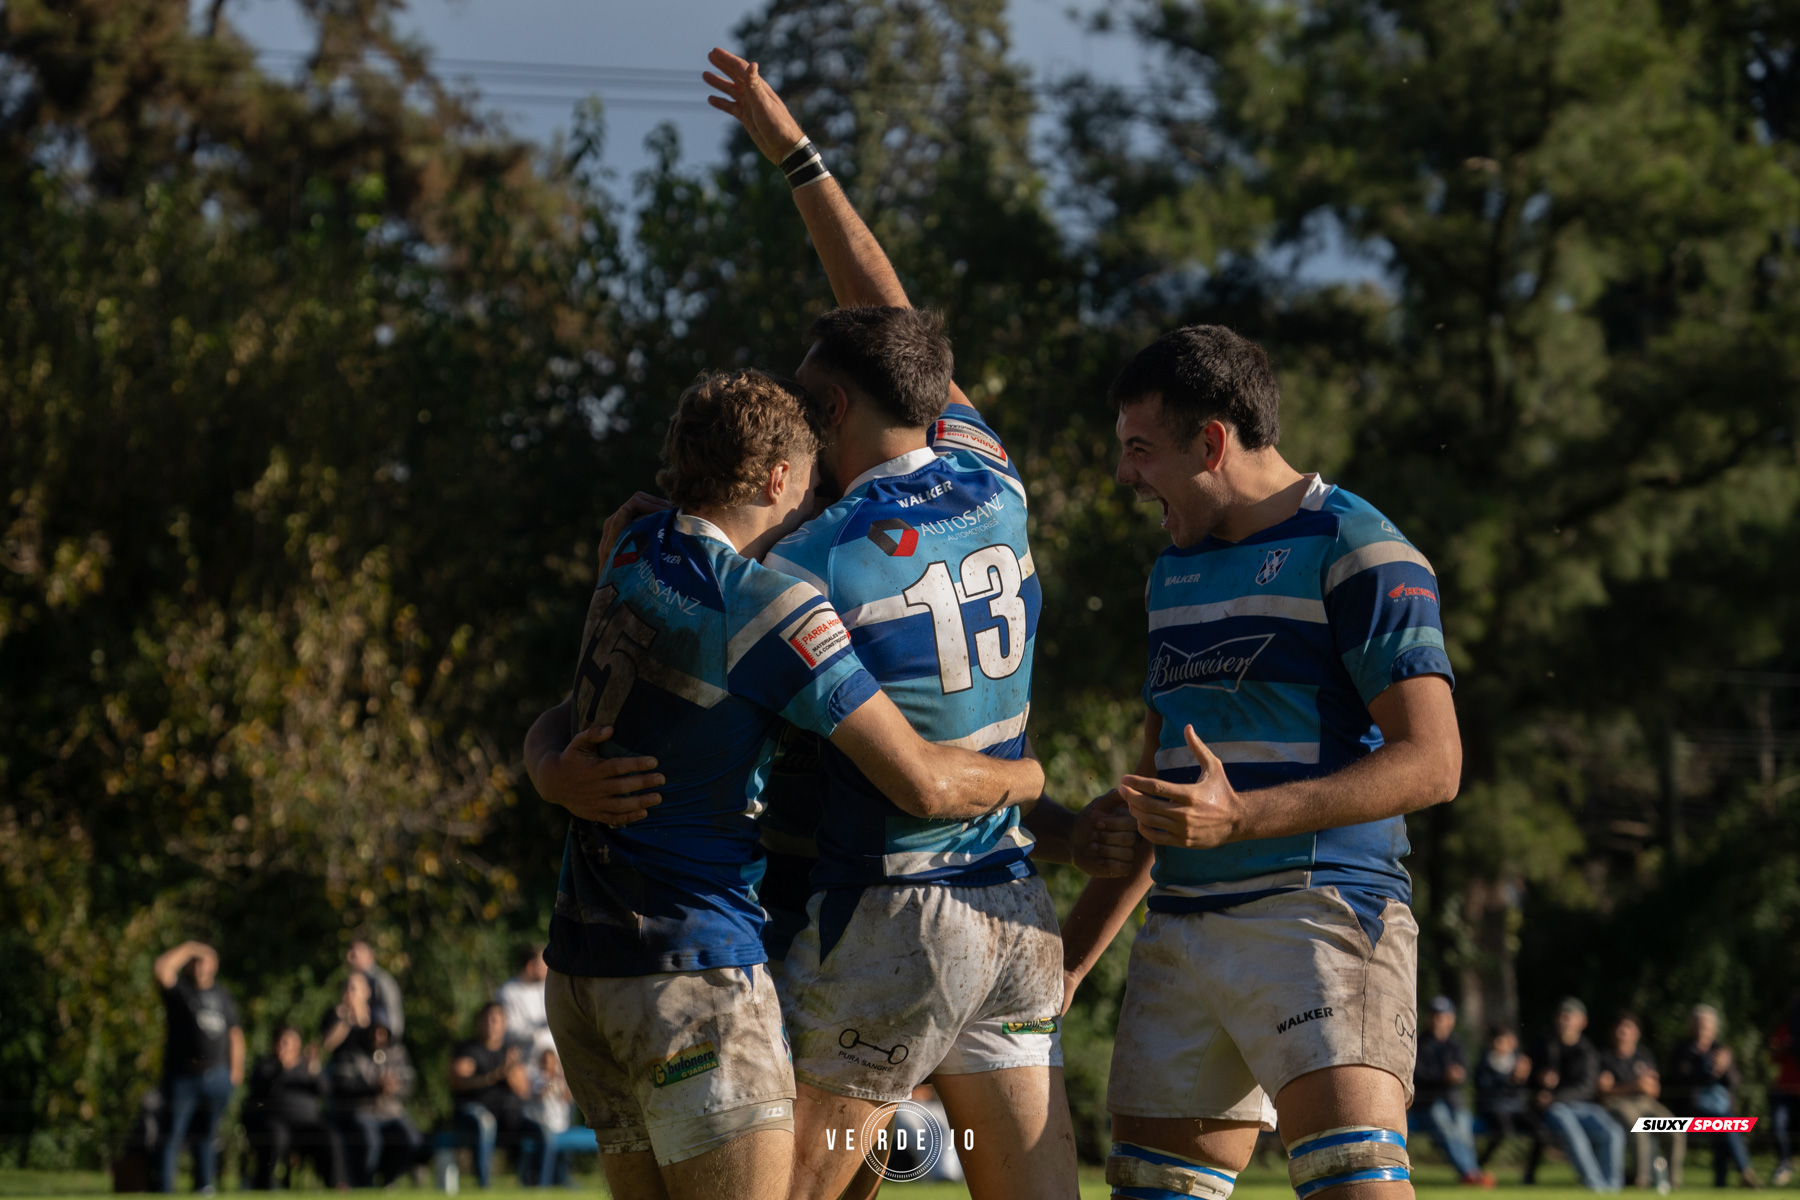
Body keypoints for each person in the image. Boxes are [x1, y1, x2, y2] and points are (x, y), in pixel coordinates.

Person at [703, 49, 1082, 1200]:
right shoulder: (993, 476)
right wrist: (800, 160)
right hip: (1013, 913)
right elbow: (894, 325)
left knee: (792, 1192)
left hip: (896, 918)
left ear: (829, 409)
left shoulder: (809, 560)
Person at [521, 368, 1045, 1200]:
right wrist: (1029, 774)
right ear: (775, 479)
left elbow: (562, 717)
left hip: (583, 969)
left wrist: (549, 771)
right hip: (694, 971)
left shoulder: (631, 547)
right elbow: (920, 782)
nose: (819, 502)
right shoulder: (771, 609)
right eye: (810, 481)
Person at [1032, 319, 1460, 1194]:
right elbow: (1166, 795)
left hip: (1320, 917)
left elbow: (1434, 762)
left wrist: (1243, 817)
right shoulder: (1171, 572)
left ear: (1212, 443)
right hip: (1181, 930)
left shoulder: (1362, 550)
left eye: (1141, 450)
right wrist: (1070, 962)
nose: (1124, 475)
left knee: (1352, 1179)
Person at [153, 941, 243, 1195]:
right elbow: (161, 968)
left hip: (217, 1076)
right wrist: (190, 947)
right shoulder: (181, 992)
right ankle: (165, 1189)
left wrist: (234, 1074)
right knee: (172, 1133)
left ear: (215, 965)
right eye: (197, 961)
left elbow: (235, 1035)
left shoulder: (222, 996)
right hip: (183, 1076)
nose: (202, 965)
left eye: (207, 960)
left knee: (207, 1134)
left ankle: (204, 1187)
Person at [1530, 998, 1626, 1192]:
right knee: (1570, 1126)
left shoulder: (1587, 1051)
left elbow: (1586, 1088)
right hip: (1552, 1109)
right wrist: (1538, 1078)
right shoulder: (1543, 1045)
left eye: (1569, 1016)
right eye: (1561, 1016)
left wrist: (1555, 1097)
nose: (1563, 1021)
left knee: (1613, 1131)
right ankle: (1594, 1184)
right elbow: (1527, 1078)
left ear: (1582, 1022)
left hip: (1581, 1105)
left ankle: (1613, 1188)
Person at [243, 1024, 346, 1190]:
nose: (284, 1047)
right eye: (281, 1042)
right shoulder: (266, 1066)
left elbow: (325, 1091)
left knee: (330, 1137)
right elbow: (261, 1090)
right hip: (277, 1123)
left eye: (288, 1042)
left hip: (308, 1124)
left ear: (298, 1045)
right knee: (276, 1138)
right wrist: (281, 1070)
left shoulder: (307, 1067)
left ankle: (336, 1185)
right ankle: (265, 1185)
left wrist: (314, 1072)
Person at [450, 1002, 539, 1188]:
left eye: (495, 1020)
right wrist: (494, 1076)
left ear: (504, 1024)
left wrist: (510, 1071)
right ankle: (484, 1186)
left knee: (542, 1131)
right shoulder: (467, 1049)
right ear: (478, 1023)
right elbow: (458, 1081)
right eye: (487, 1019)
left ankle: (539, 1186)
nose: (491, 1024)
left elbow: (524, 1091)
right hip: (472, 1113)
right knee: (485, 1122)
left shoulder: (510, 1052)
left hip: (506, 1116)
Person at [1670, 1004, 1759, 1188]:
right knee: (1727, 1125)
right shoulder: (1682, 1052)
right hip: (1690, 1114)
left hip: (1722, 1111)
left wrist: (1724, 1068)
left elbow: (1735, 1082)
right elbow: (1680, 1081)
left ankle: (1722, 1183)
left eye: (1707, 1026)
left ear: (1714, 1029)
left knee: (1726, 1124)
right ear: (1692, 1027)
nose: (1704, 1030)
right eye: (1700, 1025)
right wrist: (1711, 1071)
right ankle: (1745, 1172)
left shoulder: (1722, 1051)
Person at [330, 1021, 423, 1186]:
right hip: (361, 1111)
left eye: (382, 1033)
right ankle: (364, 1184)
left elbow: (410, 1082)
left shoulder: (398, 1052)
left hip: (391, 1113)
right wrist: (372, 1088)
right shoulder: (352, 1051)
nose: (377, 1037)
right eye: (374, 1032)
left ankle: (388, 1180)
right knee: (371, 1141)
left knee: (412, 1138)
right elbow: (341, 1083)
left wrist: (396, 1086)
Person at [1598, 1013, 1683, 1190]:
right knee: (1640, 1129)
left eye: (1628, 1028)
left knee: (1676, 1130)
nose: (1623, 1032)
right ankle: (1642, 1181)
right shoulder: (1605, 1057)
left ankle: (1674, 1182)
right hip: (1618, 1103)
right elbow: (1604, 1091)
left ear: (1636, 1033)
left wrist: (1641, 1087)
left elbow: (1654, 1090)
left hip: (1645, 1103)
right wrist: (1635, 1085)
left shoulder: (1644, 1056)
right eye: (1620, 1027)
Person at [1414, 996, 1492, 1186]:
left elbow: (1465, 1072)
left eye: (1443, 1016)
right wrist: (1444, 1077)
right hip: (1426, 1105)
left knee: (1464, 1130)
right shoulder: (1419, 1043)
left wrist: (1458, 1075)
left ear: (1451, 1019)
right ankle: (1470, 1173)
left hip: (1453, 1102)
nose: (1438, 1020)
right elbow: (1418, 1076)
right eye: (1435, 1015)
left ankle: (1472, 1172)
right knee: (1445, 1126)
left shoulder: (1456, 1043)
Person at [521, 1048, 599, 1187]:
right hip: (543, 1124)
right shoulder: (538, 1078)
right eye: (545, 1062)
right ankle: (544, 1182)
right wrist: (550, 1082)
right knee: (548, 1144)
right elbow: (541, 1094)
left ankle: (563, 1179)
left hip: (560, 1125)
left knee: (564, 1154)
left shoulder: (560, 1080)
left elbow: (568, 1099)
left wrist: (560, 1081)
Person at [1475, 1026, 1537, 1167]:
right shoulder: (1485, 1062)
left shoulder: (1519, 1062)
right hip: (1493, 1108)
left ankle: (1530, 1172)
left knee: (1540, 1131)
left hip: (1515, 1108)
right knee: (1503, 1131)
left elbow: (1521, 1091)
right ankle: (1479, 1164)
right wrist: (1510, 1079)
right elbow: (1485, 1089)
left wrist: (1522, 1078)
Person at [496, 945, 553, 1057]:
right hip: (525, 1059)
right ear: (531, 966)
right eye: (544, 964)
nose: (548, 968)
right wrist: (540, 1031)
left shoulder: (547, 988)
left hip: (554, 1060)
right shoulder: (508, 992)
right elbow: (508, 1033)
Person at [1769, 996, 1800, 1186]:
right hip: (1786, 1090)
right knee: (1778, 1126)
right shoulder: (1787, 1028)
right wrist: (1786, 1047)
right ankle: (1784, 1163)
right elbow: (1773, 1055)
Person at [345, 939, 404, 1038]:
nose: (349, 957)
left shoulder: (378, 980)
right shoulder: (366, 977)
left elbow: (389, 1010)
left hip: (381, 1037)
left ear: (370, 955)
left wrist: (387, 1033)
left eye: (355, 954)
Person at [318, 972, 372, 1058]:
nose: (348, 992)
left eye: (353, 989)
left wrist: (360, 1015)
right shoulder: (335, 1014)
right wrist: (348, 1020)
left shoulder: (376, 1015)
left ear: (365, 992)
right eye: (346, 988)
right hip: (341, 1063)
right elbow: (327, 1045)